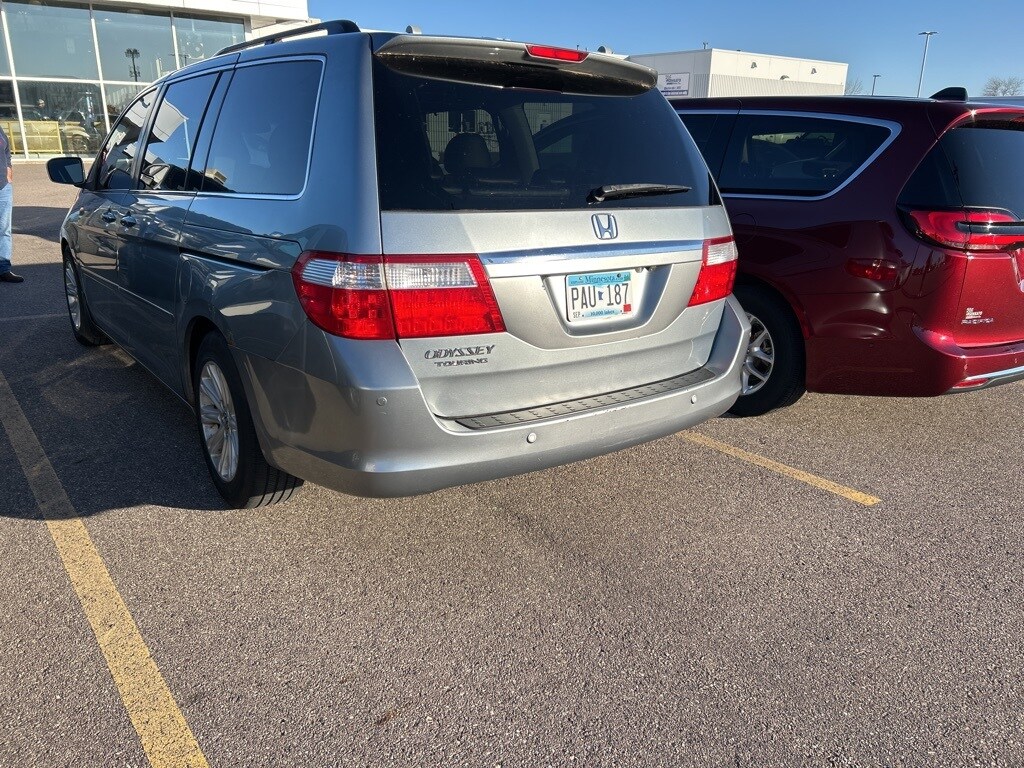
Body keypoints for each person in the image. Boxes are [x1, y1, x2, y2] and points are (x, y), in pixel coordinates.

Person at [0, 123, 19, 283]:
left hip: (3, 187)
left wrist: (9, 173)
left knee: (4, 230)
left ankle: (4, 269)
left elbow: (6, 153)